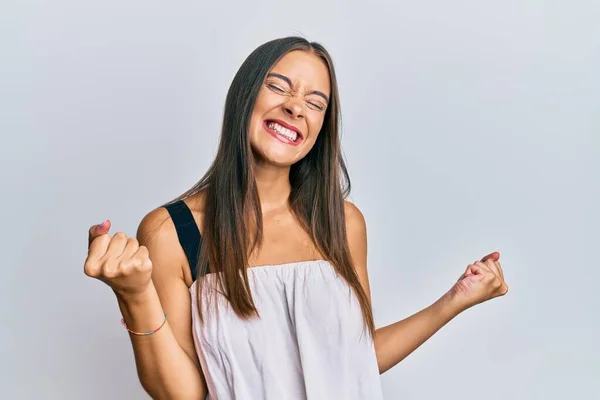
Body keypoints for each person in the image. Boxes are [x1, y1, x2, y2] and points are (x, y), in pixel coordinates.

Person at [84, 36, 508, 400]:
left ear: (322, 126)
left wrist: (456, 299)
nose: (295, 108)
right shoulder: (172, 230)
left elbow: (353, 360)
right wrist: (135, 295)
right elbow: (183, 393)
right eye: (279, 87)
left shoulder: (343, 223)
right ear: (244, 95)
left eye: (315, 102)